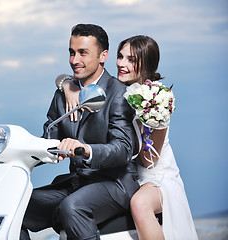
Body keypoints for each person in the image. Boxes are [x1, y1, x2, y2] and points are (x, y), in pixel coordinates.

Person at [57, 35, 198, 240]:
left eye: (131, 59)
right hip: (124, 175)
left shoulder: (157, 97)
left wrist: (140, 121)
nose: (122, 64)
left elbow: (150, 161)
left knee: (139, 204)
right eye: (120, 57)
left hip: (155, 178)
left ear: (146, 63)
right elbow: (73, 76)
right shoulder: (118, 91)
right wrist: (67, 85)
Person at [20, 24, 140, 240]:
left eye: (83, 52)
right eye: (72, 52)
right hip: (77, 181)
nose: (75, 60)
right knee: (13, 206)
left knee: (72, 207)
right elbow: (49, 137)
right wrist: (16, 152)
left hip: (115, 183)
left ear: (103, 56)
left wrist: (84, 149)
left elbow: (123, 149)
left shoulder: (119, 94)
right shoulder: (62, 95)